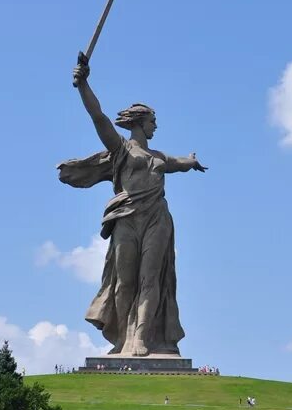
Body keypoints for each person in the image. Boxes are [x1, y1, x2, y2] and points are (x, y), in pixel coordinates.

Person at [63, 55, 207, 356]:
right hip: (127, 218)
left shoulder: (158, 157)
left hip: (157, 218)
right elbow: (98, 117)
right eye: (153, 121)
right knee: (124, 282)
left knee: (151, 278)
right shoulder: (120, 149)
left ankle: (141, 337)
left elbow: (179, 163)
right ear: (140, 122)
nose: (156, 126)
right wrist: (83, 84)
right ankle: (121, 339)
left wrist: (192, 162)